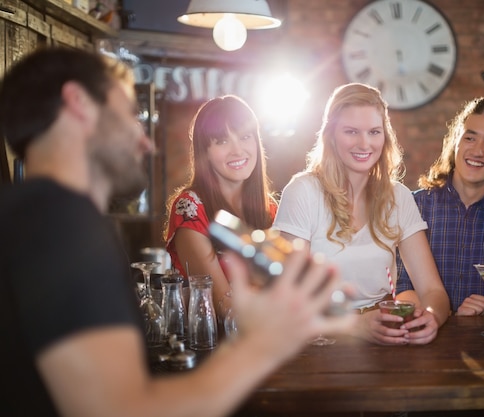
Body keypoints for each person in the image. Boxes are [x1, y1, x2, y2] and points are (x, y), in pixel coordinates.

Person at [0, 47, 353, 417]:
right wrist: (264, 343)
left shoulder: (40, 218)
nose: (146, 142)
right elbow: (119, 411)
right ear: (78, 103)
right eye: (128, 116)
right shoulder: (58, 224)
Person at [273, 82, 450, 346]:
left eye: (374, 131)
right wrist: (356, 326)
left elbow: (433, 291)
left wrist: (432, 318)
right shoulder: (303, 191)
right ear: (331, 135)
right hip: (319, 342)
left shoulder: (398, 196)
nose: (364, 143)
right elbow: (284, 297)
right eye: (351, 131)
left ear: (385, 137)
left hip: (386, 335)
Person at [396, 97, 484, 327]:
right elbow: (403, 288)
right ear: (456, 141)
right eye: (470, 138)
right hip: (423, 339)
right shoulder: (415, 206)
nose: (478, 151)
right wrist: (439, 314)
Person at [163, 95, 277, 318]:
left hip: (272, 336)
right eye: (222, 141)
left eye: (245, 137)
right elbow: (224, 305)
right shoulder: (189, 209)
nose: (237, 150)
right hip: (213, 344)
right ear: (204, 151)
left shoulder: (272, 208)